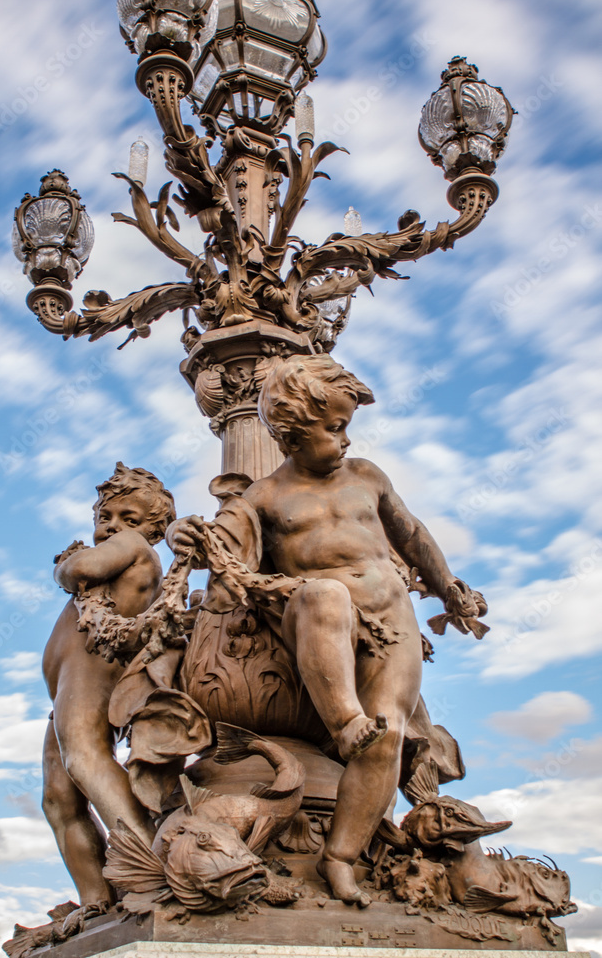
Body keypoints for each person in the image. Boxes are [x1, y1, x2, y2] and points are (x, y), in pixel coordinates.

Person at [169, 355, 485, 907]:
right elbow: (220, 545)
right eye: (334, 428)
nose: (345, 439)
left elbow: (411, 534)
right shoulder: (263, 497)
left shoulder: (367, 475)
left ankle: (339, 858)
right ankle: (343, 722)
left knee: (386, 735)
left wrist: (448, 587)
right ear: (292, 436)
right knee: (324, 593)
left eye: (346, 426)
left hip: (392, 623)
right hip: (319, 622)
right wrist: (181, 531)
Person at [42, 462, 176, 911]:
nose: (113, 526)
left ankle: (154, 870)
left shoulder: (134, 548)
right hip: (65, 691)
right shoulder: (117, 558)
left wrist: (64, 565)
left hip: (92, 676)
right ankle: (96, 901)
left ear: (153, 529)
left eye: (128, 518)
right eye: (106, 517)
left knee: (85, 759)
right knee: (58, 799)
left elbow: (80, 568)